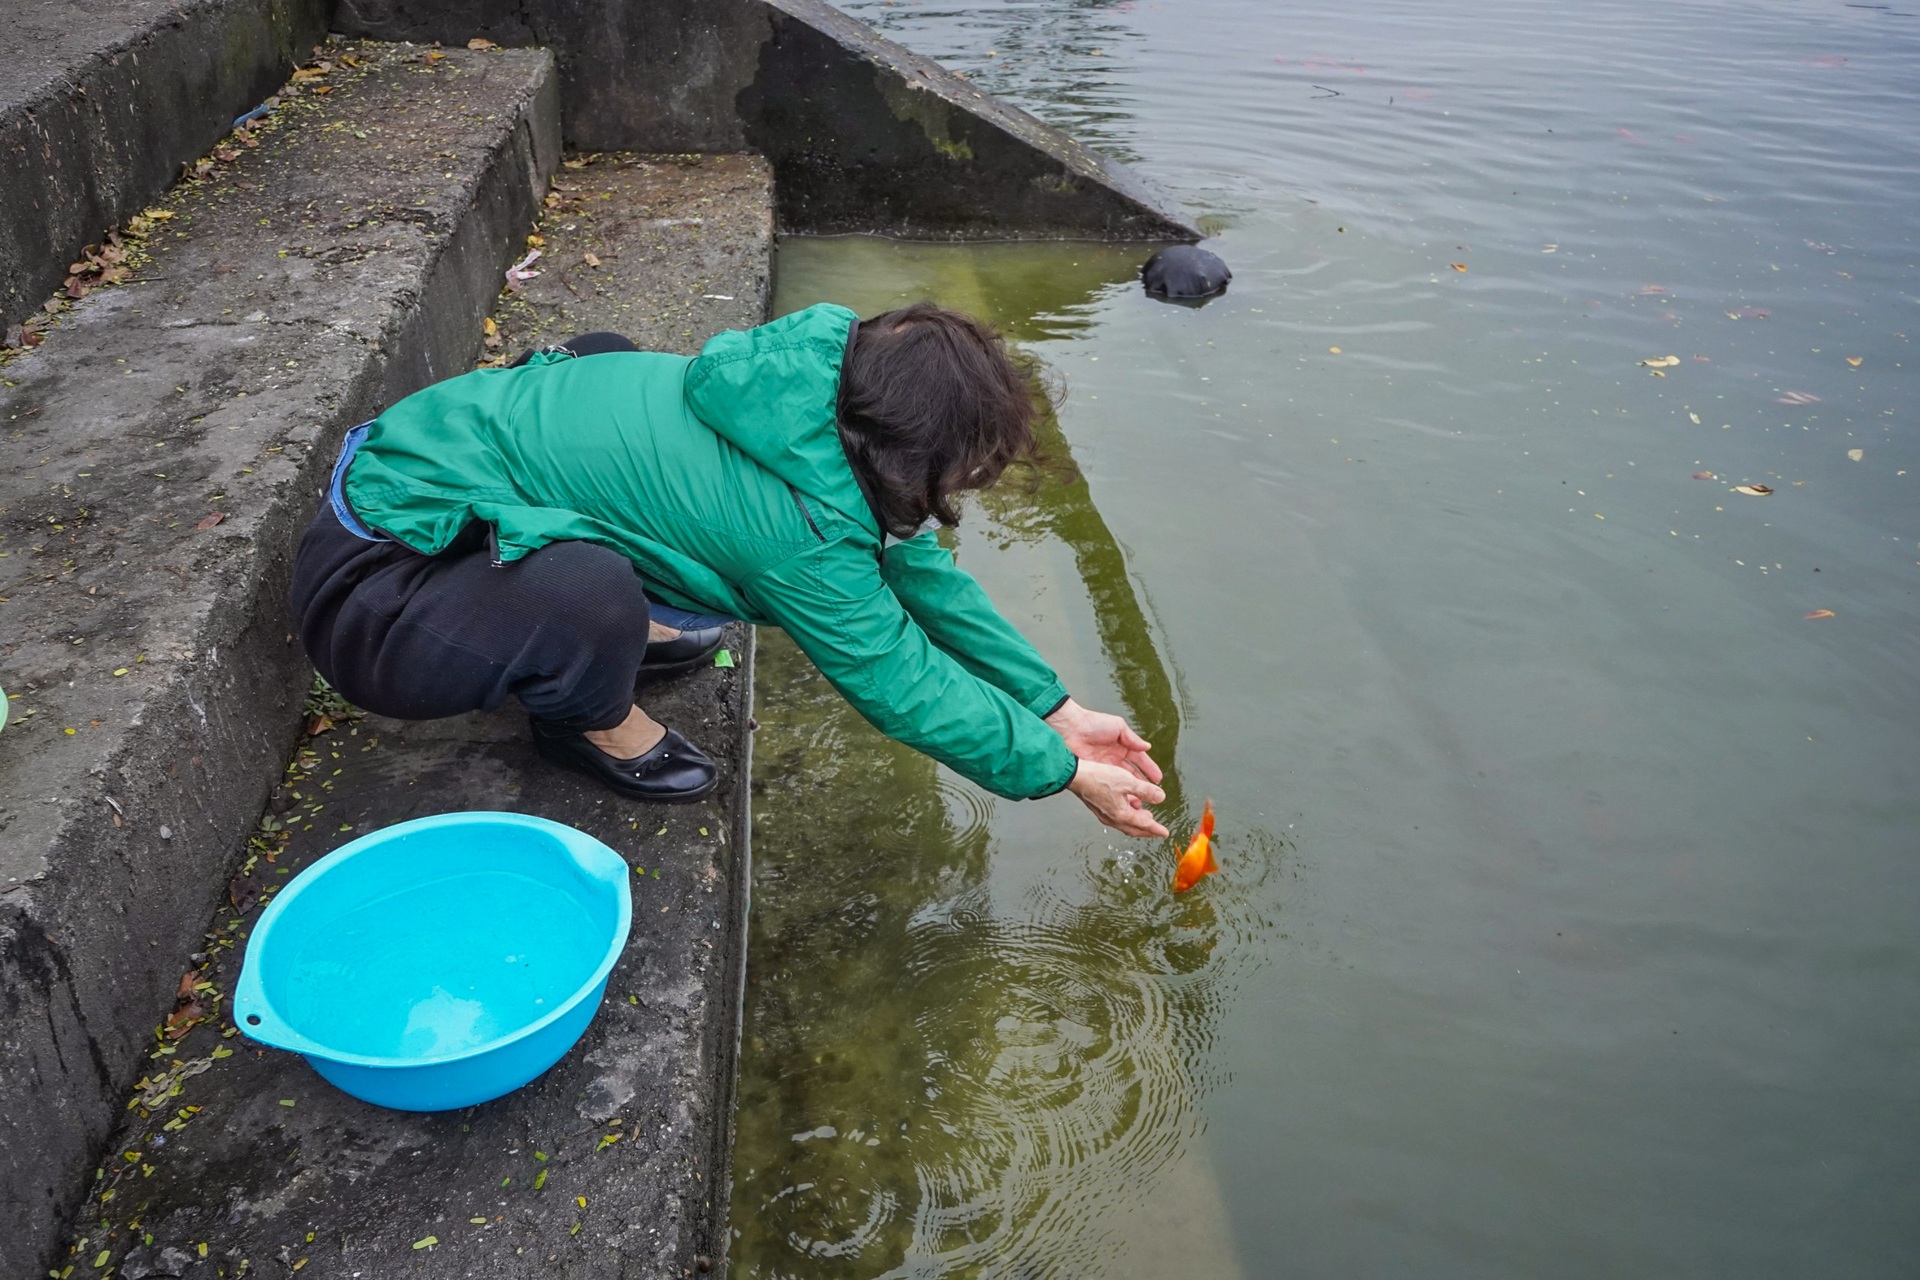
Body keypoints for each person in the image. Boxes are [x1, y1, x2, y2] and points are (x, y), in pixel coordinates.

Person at [290, 302, 1169, 838]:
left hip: (429, 465)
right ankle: (583, 720)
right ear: (902, 454)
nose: (963, 493)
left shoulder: (796, 398)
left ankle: (597, 630)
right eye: (961, 474)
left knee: (609, 358)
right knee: (589, 591)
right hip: (374, 597)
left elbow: (921, 576)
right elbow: (898, 679)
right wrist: (1060, 773)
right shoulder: (800, 530)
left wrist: (1055, 705)